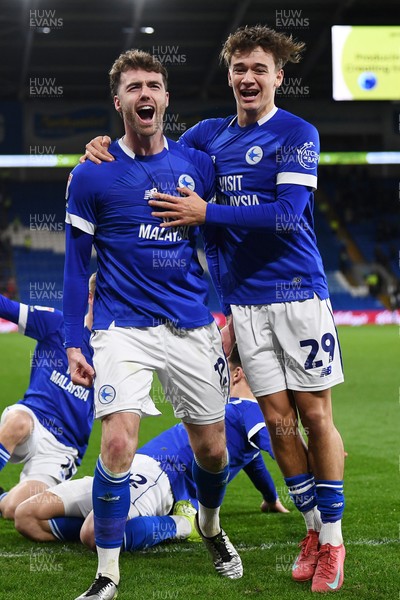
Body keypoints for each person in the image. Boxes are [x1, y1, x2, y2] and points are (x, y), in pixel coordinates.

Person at [84, 25, 346, 594]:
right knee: (277, 423)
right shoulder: (207, 136)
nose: (249, 79)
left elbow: (285, 214)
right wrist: (101, 147)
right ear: (229, 76)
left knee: (316, 416)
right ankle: (309, 528)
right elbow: (152, 147)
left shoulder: (299, 133)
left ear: (278, 76)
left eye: (260, 69)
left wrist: (209, 214)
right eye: (239, 69)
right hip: (244, 306)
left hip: (298, 293)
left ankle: (334, 539)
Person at [63, 50, 242, 600]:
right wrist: (74, 341)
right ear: (118, 101)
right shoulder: (91, 173)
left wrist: (231, 312)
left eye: (155, 85)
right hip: (124, 328)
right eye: (135, 86)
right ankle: (108, 573)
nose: (146, 94)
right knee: (117, 442)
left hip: (191, 325)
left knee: (212, 451)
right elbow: (75, 266)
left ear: (166, 98)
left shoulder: (198, 165)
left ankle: (210, 525)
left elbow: (222, 241)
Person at [14, 344, 288, 553]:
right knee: (26, 517)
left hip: (160, 477)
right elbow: (253, 459)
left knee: (94, 533)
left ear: (237, 374)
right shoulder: (225, 415)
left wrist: (307, 481)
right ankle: (110, 525)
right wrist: (271, 497)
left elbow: (280, 448)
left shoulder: (249, 409)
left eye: (224, 368)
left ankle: (184, 526)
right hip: (126, 467)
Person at [0, 274, 95, 521]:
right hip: (32, 419)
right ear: (91, 297)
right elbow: (6, 307)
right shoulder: (56, 323)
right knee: (18, 421)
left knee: (13, 509)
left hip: (62, 449)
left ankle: (2, 497)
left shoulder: (114, 354)